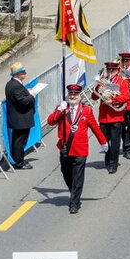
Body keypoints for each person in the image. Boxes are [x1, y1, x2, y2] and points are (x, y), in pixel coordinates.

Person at [47, 84, 108, 214]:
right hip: (65, 148)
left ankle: (74, 202)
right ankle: (74, 192)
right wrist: (59, 111)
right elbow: (50, 122)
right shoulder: (62, 108)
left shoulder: (86, 110)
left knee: (78, 176)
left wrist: (103, 141)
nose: (73, 96)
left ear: (80, 96)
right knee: (66, 172)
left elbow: (95, 127)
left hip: (80, 149)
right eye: (71, 94)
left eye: (75, 94)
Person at [91, 61, 130, 174]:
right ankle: (107, 159)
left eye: (112, 70)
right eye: (108, 70)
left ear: (117, 71)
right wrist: (98, 87)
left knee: (115, 141)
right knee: (104, 140)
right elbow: (94, 97)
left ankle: (113, 164)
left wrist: (113, 100)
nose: (110, 72)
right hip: (104, 116)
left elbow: (126, 96)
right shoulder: (102, 82)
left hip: (116, 116)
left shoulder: (122, 81)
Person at [5, 62, 35, 170]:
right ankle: (19, 162)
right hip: (21, 118)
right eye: (23, 72)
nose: (25, 73)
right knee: (20, 142)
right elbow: (23, 101)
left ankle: (17, 160)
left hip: (18, 118)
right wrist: (32, 95)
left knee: (17, 140)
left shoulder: (12, 84)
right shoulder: (15, 86)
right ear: (18, 74)